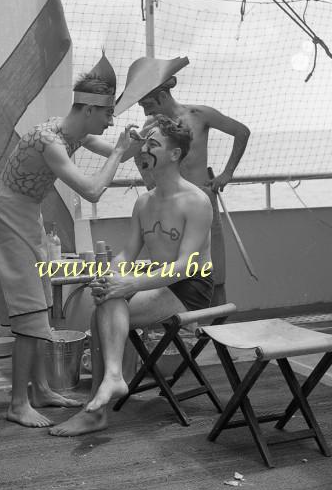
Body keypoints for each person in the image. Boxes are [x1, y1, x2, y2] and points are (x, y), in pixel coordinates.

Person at [0, 53, 138, 428]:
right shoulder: (50, 141)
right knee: (30, 310)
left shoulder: (75, 131)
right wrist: (119, 151)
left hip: (27, 214)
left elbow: (121, 153)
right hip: (10, 215)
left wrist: (138, 140)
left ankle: (39, 389)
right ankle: (17, 402)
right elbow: (92, 190)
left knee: (39, 301)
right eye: (107, 115)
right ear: (88, 110)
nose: (110, 121)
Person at [50, 115, 215, 436]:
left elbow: (186, 266)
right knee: (107, 298)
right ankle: (111, 381)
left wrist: (130, 283)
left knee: (110, 302)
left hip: (190, 288)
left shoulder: (196, 201)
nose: (143, 151)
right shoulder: (144, 202)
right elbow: (128, 254)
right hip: (157, 281)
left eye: (152, 144)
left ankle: (100, 403)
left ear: (175, 154)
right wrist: (109, 273)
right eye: (142, 144)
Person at [117, 57, 251, 305]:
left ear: (163, 96)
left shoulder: (199, 115)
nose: (145, 111)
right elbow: (127, 156)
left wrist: (227, 173)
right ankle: (179, 317)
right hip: (168, 208)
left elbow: (241, 131)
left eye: (148, 104)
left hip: (202, 203)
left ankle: (215, 328)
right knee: (172, 267)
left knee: (214, 272)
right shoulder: (150, 127)